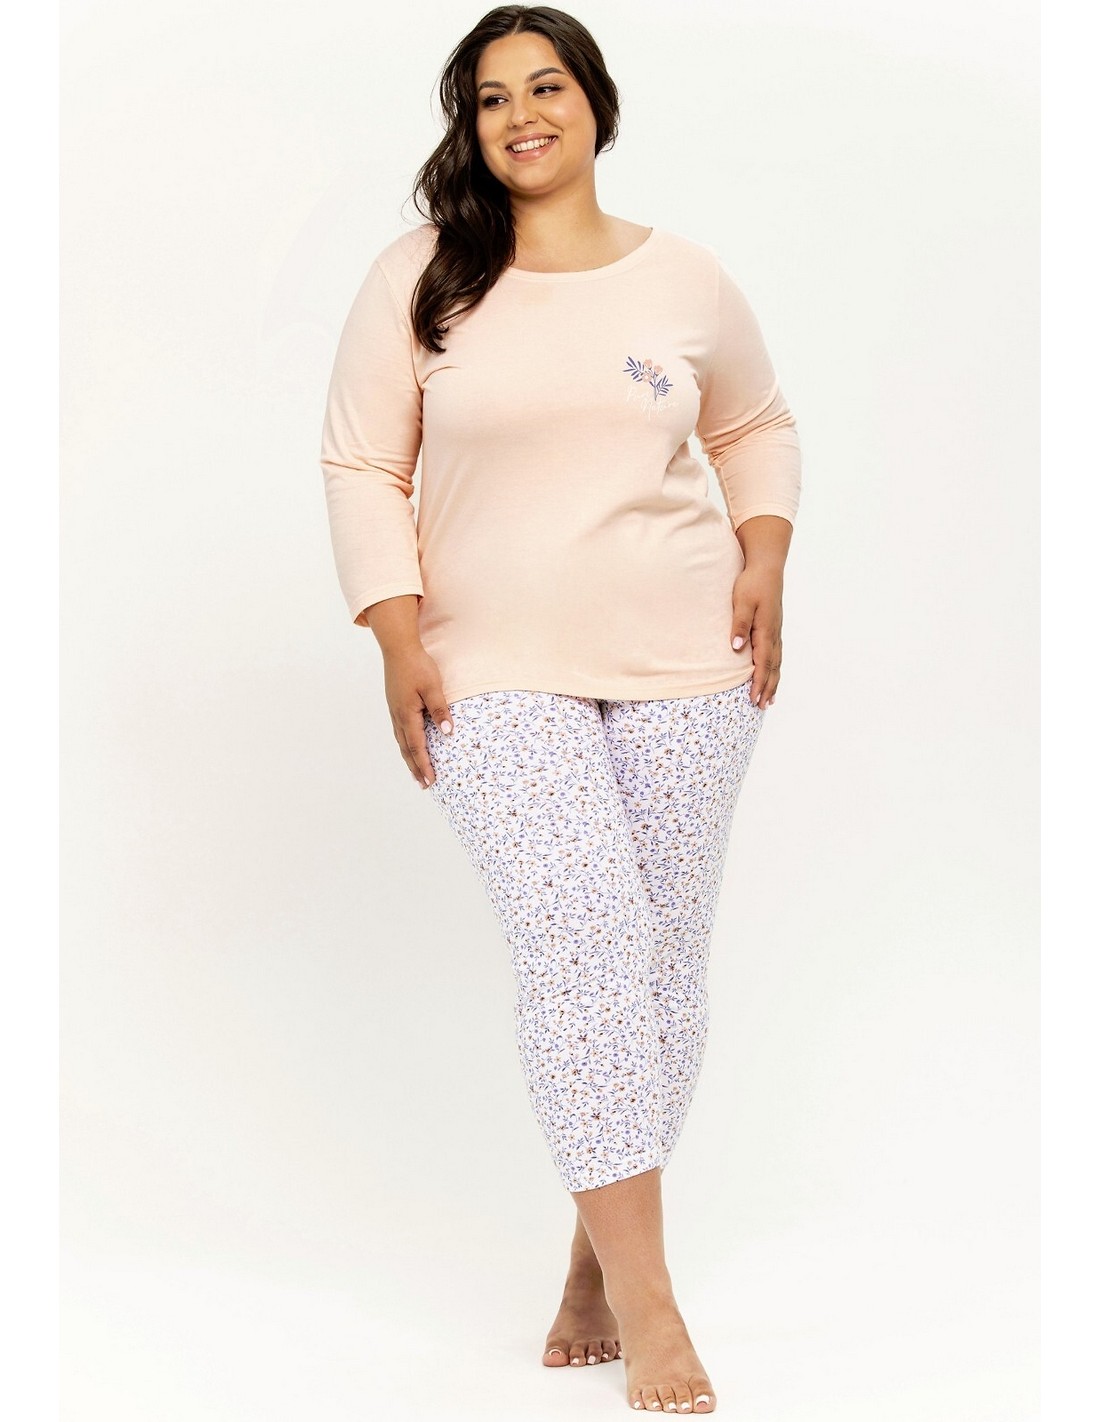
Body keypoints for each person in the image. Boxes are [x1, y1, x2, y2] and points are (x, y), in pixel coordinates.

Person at [319, 5, 802, 1414]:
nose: (521, 114)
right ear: (468, 127)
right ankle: (654, 1302)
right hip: (488, 663)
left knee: (660, 969)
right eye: (490, 98)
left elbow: (755, 425)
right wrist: (393, 632)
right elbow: (361, 463)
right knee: (581, 939)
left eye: (546, 86)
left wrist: (766, 554)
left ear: (596, 103)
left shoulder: (686, 277)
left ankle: (596, 1261)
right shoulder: (424, 276)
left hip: (689, 659)